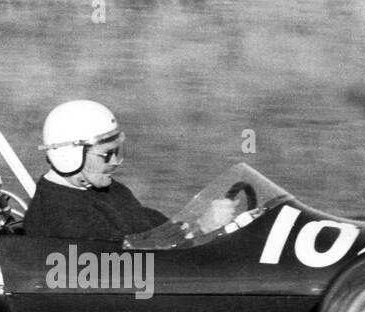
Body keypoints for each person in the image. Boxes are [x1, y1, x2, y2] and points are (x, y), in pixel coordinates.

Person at [22, 100, 234, 241]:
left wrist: (196, 226)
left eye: (117, 151)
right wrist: (201, 229)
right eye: (106, 154)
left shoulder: (106, 189)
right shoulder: (61, 215)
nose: (115, 161)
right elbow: (139, 264)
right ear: (69, 154)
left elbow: (150, 226)